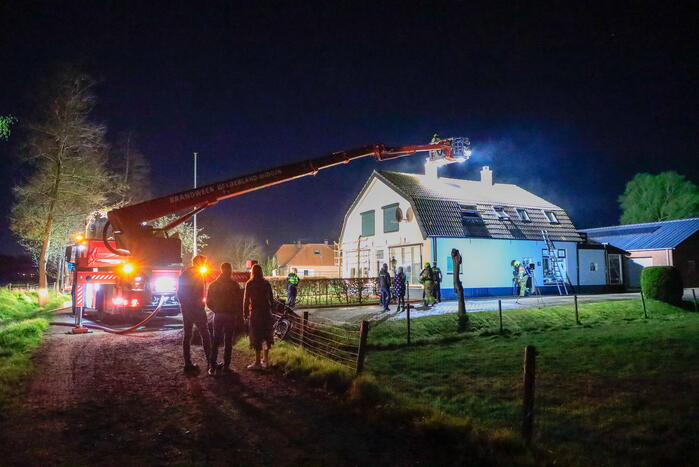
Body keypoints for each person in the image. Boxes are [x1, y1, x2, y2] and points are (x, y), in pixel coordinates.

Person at [207, 262, 244, 376]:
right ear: (230, 270)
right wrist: (238, 314)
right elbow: (239, 302)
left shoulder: (213, 285)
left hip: (218, 315)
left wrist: (216, 310)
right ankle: (226, 366)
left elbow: (208, 302)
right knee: (228, 341)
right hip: (230, 315)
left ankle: (212, 366)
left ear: (221, 270)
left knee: (215, 340)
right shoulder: (234, 285)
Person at [177, 254, 212, 373]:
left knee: (187, 335)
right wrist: (199, 306)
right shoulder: (198, 275)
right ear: (200, 263)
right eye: (204, 263)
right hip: (197, 310)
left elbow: (179, 293)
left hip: (187, 309)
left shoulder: (184, 274)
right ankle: (210, 362)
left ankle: (187, 363)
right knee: (205, 334)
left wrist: (184, 305)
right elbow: (198, 293)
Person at [243, 264, 274, 370]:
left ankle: (257, 362)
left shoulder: (250, 283)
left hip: (256, 313)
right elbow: (271, 299)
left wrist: (245, 313)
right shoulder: (266, 283)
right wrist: (271, 311)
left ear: (252, 272)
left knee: (256, 336)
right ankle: (266, 360)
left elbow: (246, 300)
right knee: (266, 336)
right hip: (266, 313)